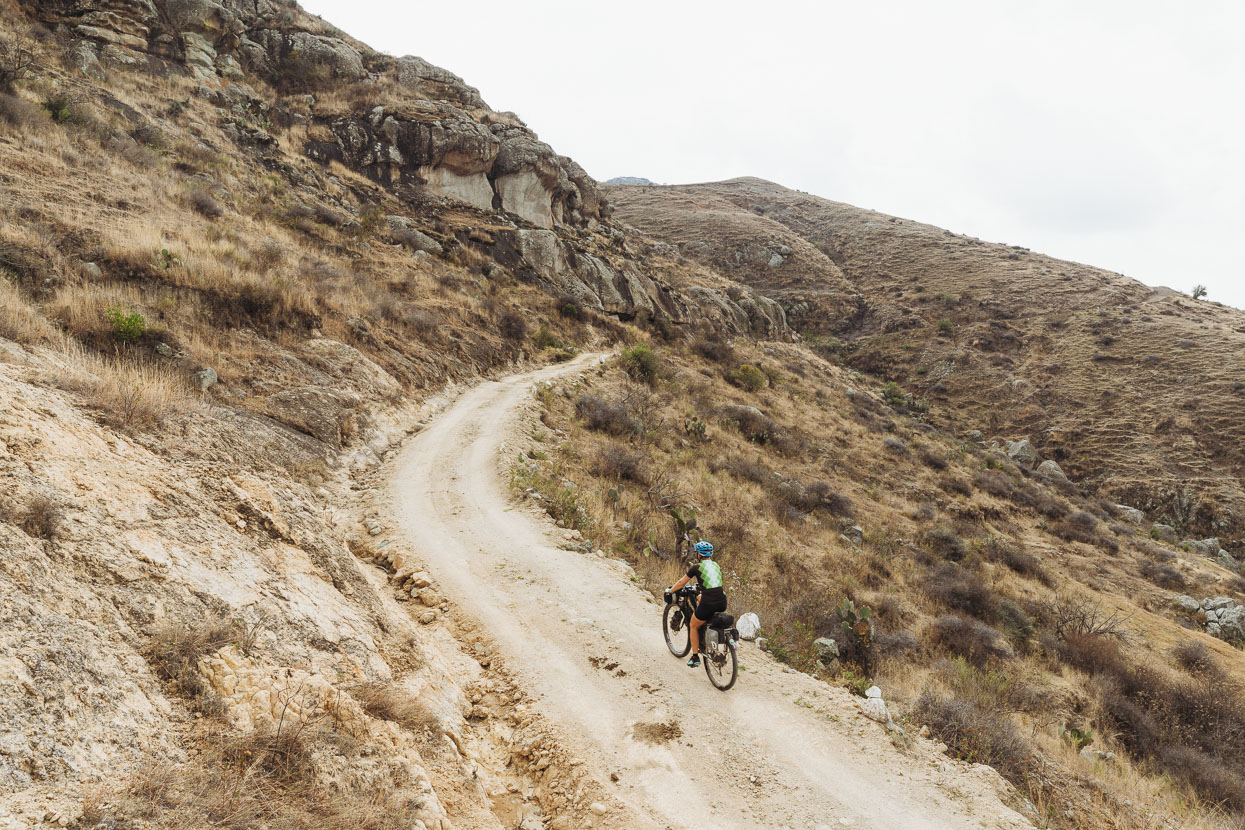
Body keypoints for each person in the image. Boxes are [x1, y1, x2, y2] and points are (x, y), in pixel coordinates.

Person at [668, 540, 727, 668]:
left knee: (693, 625)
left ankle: (695, 657)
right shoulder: (716, 565)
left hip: (709, 602)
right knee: (702, 599)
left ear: (699, 555)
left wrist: (670, 590)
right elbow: (711, 584)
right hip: (722, 602)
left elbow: (680, 583)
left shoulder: (696, 567)